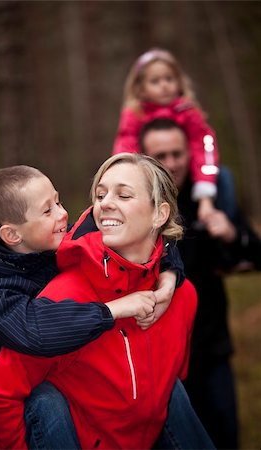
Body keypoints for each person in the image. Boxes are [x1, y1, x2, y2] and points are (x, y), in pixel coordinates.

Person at [0, 154, 215, 449]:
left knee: (171, 390)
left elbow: (147, 245)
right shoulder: (14, 297)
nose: (103, 204)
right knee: (46, 401)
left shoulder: (179, 295)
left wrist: (171, 273)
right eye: (100, 195)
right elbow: (31, 337)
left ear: (159, 214)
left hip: (145, 432)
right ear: (11, 234)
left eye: (123, 194)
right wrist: (111, 311)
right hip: (9, 390)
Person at [140, 118, 261, 449]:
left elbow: (254, 253)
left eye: (177, 153)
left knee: (223, 437)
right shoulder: (132, 207)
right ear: (144, 157)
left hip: (210, 348)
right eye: (160, 155)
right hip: (154, 359)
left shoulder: (209, 197)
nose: (171, 163)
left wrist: (232, 232)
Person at [113, 48, 219, 223]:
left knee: (224, 178)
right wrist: (128, 177)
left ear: (179, 82)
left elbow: (204, 147)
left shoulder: (188, 112)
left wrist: (205, 188)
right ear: (141, 89)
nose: (164, 85)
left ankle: (219, 219)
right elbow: (125, 147)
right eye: (155, 81)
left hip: (191, 176)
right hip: (151, 177)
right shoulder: (135, 115)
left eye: (169, 79)